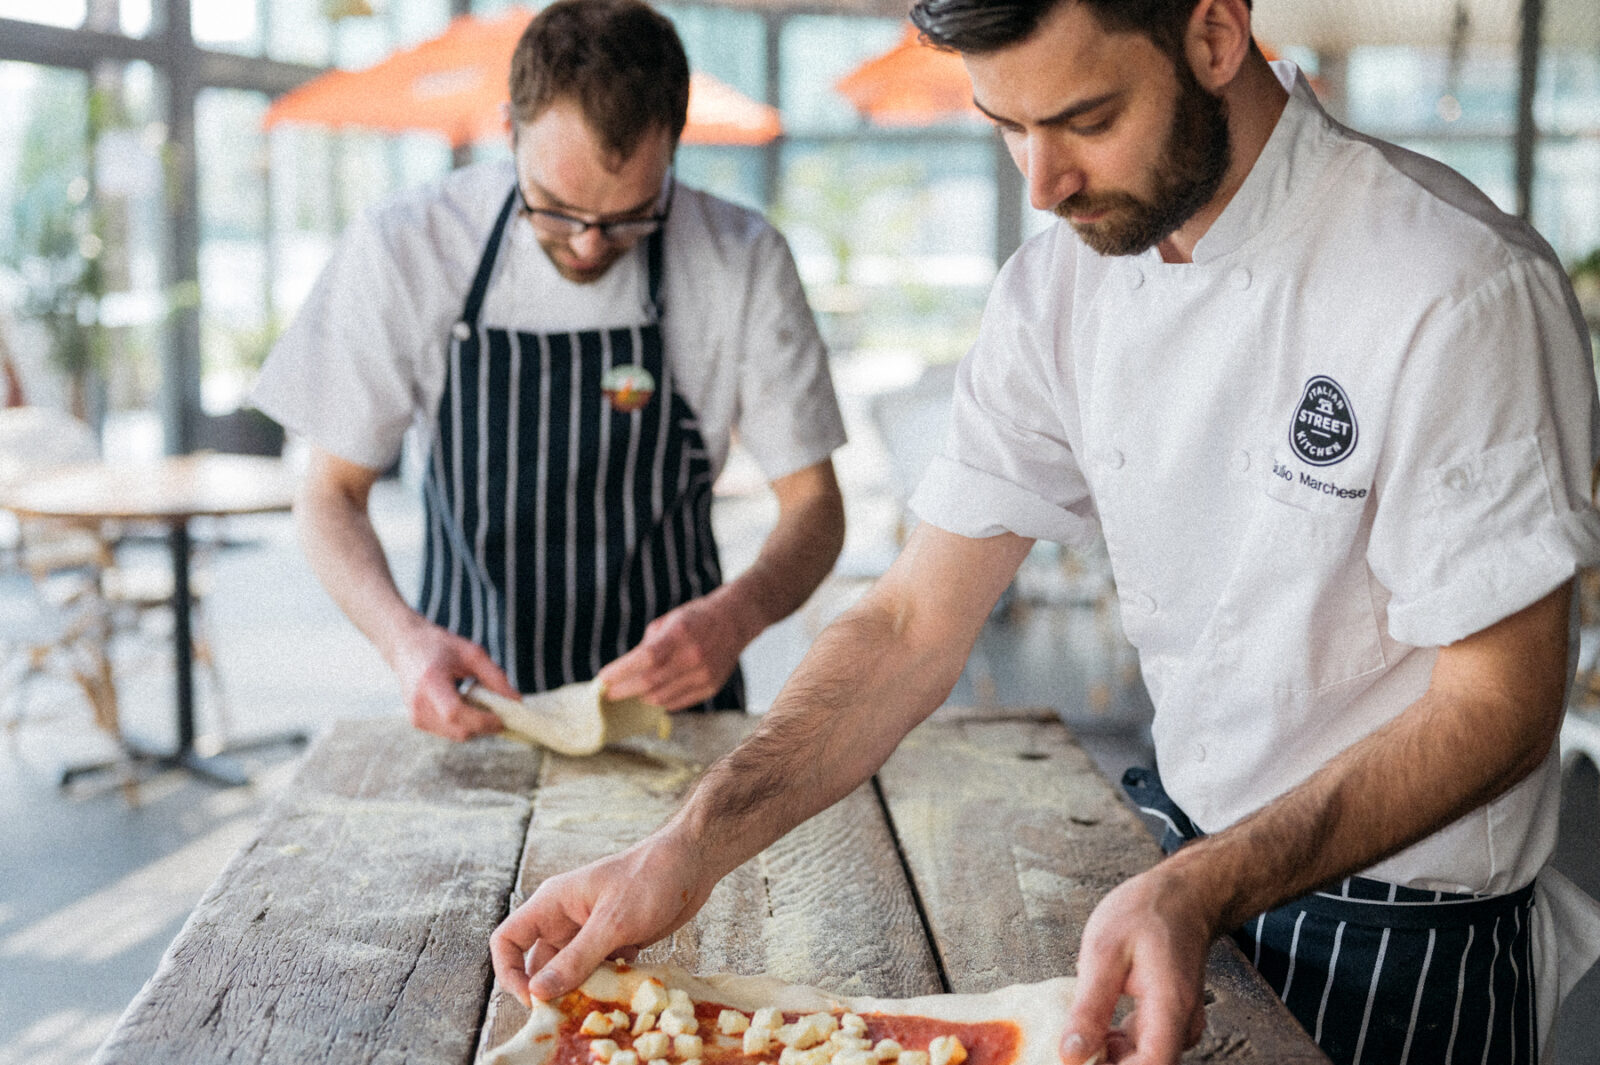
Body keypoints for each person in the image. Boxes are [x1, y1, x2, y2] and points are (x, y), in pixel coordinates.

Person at [486, 0, 1600, 1062]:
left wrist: (1200, 885)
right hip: (1188, 878)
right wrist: (686, 850)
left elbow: (1498, 707)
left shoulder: (1452, 284)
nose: (1043, 184)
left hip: (1402, 938)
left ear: (1215, 32)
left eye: (1086, 121)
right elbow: (913, 620)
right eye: (1006, 128)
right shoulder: (1059, 286)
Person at [253, 0, 847, 740]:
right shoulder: (407, 247)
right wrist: (403, 640)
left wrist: (740, 614)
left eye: (631, 216)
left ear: (673, 149)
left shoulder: (742, 258)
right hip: (477, 710)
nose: (591, 246)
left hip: (675, 721)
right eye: (556, 210)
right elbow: (330, 494)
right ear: (510, 129)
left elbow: (815, 506)